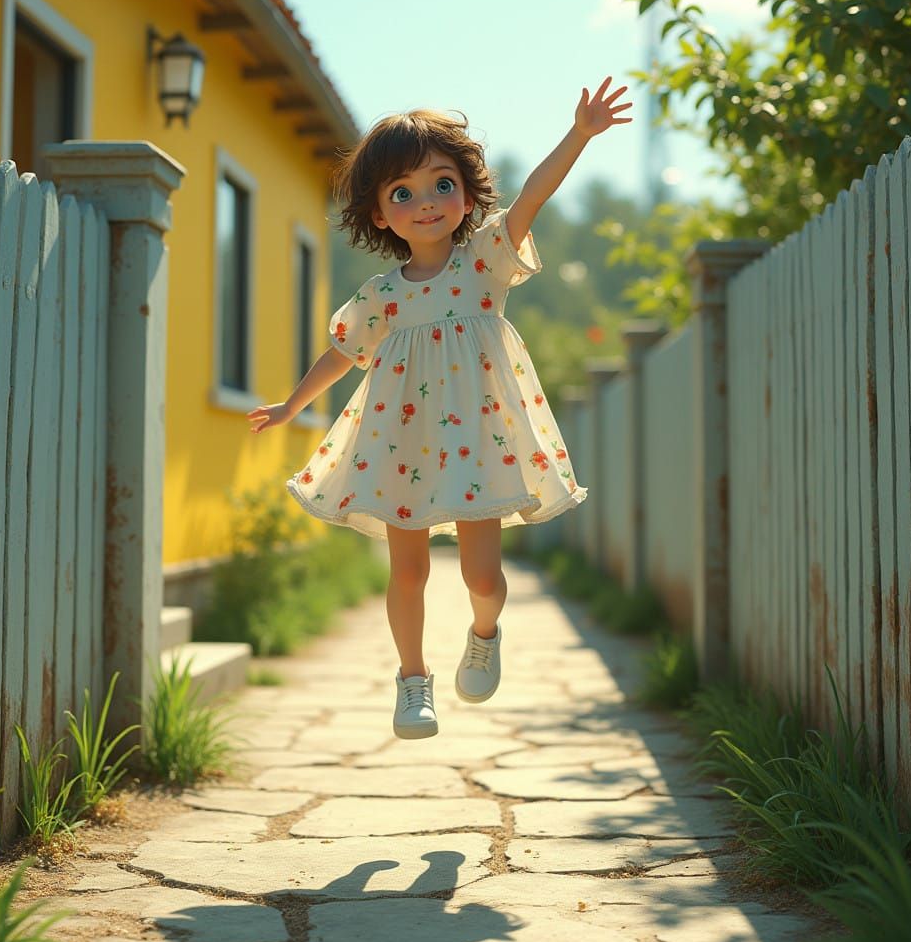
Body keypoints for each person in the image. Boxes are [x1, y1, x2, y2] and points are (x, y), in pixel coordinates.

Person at [247, 77, 633, 739]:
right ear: (379, 214)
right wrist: (291, 404)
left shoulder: (483, 261)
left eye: (441, 184)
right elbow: (341, 353)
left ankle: (485, 634)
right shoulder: (381, 295)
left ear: (467, 194)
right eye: (402, 192)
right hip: (402, 444)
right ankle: (412, 681)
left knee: (483, 577)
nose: (424, 203)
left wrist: (579, 134)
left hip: (479, 441)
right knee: (410, 570)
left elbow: (533, 196)